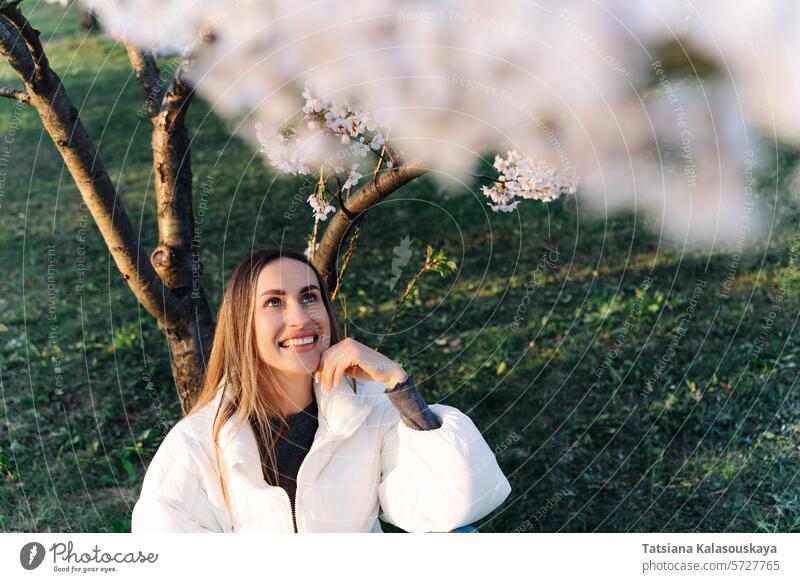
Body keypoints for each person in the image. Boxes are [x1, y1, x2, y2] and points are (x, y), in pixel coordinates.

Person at [131, 246, 511, 532]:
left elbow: (451, 504)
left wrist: (399, 384)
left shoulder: (365, 405)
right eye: (274, 302)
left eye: (309, 297)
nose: (300, 318)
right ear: (242, 325)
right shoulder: (199, 443)